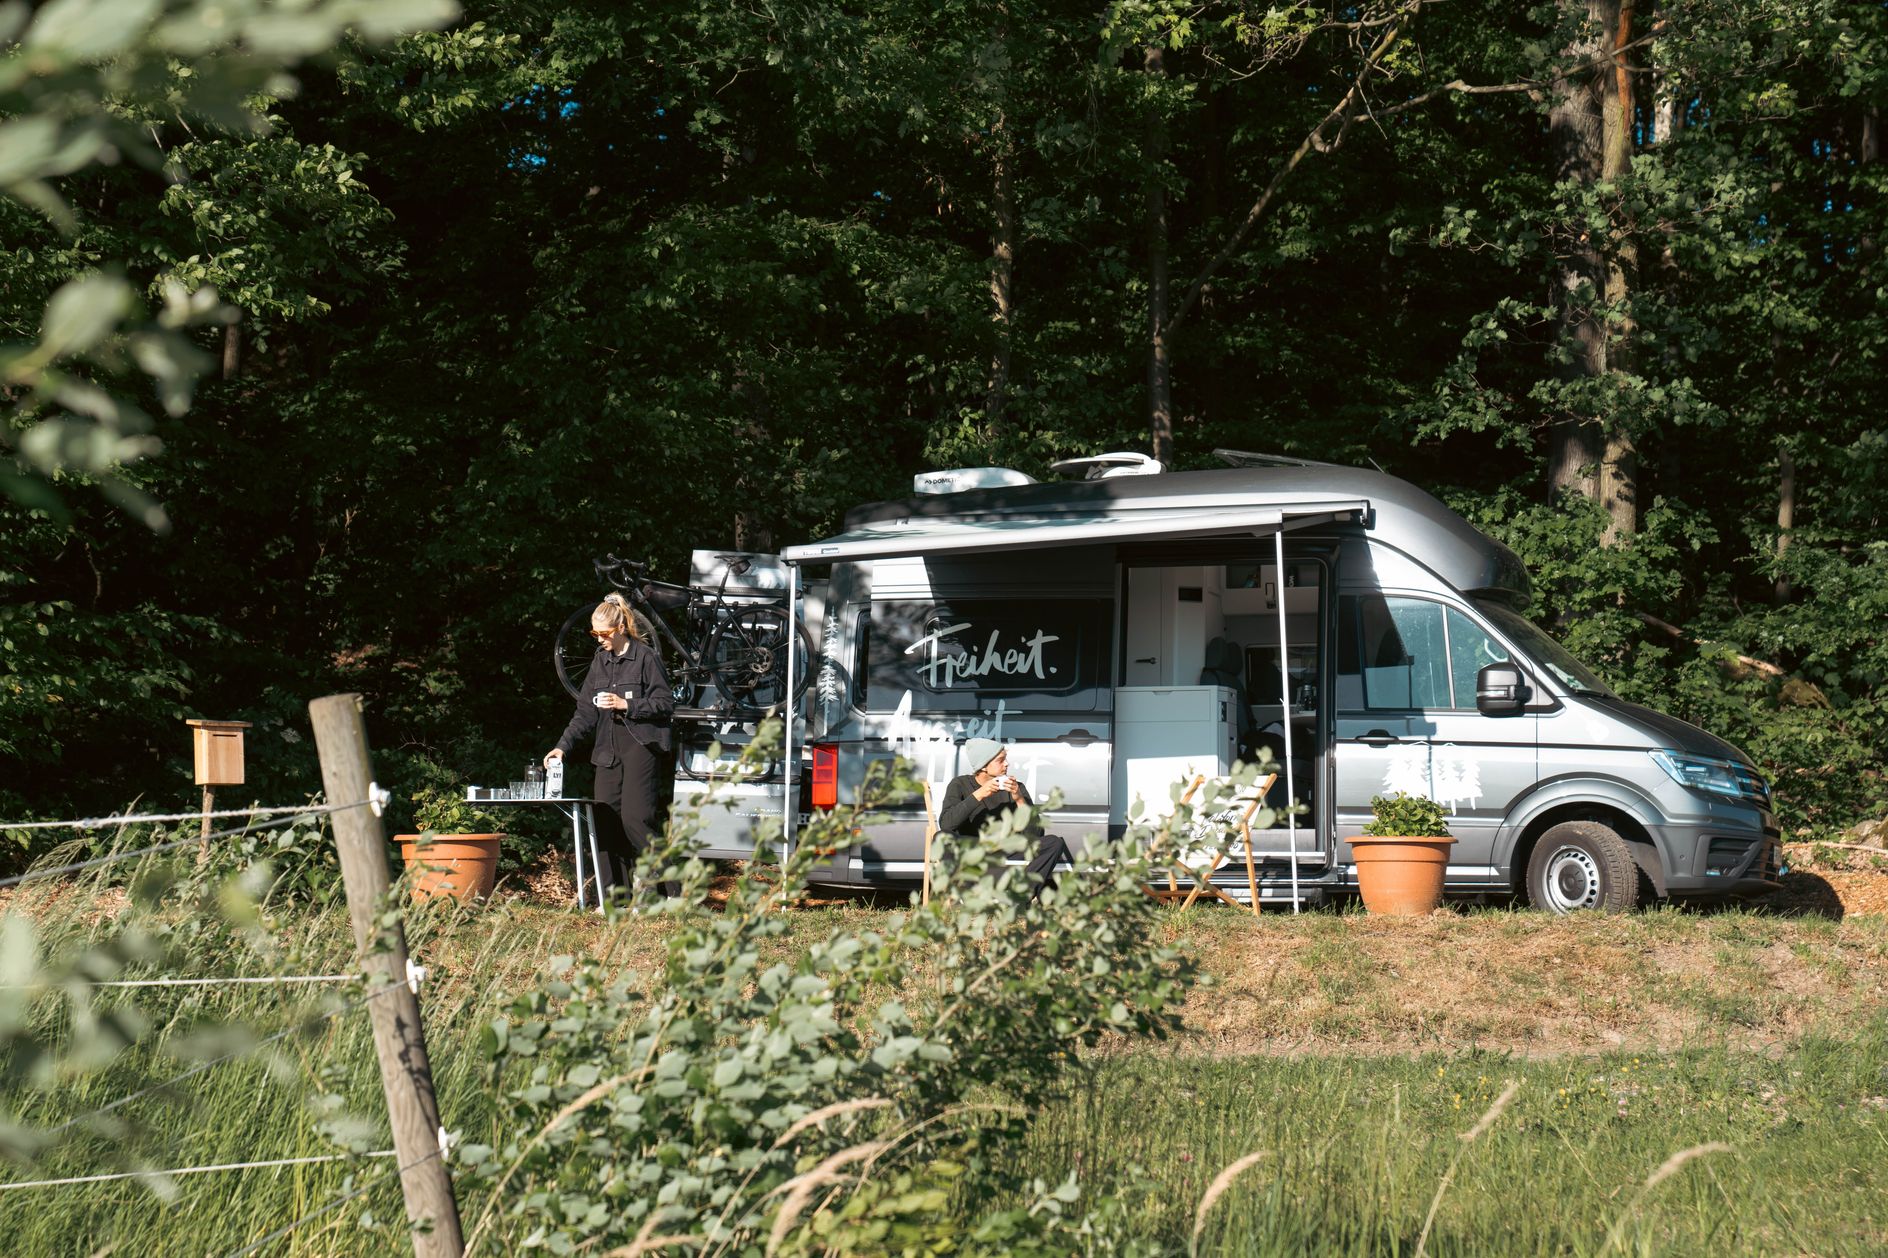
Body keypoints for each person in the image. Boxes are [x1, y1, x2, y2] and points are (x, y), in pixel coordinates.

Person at [545, 592, 678, 900]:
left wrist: (626, 704)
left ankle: (674, 892)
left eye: (603, 634)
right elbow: (585, 712)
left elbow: (665, 703)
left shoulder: (645, 657)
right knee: (604, 820)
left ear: (619, 628)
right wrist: (562, 747)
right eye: (594, 634)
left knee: (636, 819)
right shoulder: (599, 661)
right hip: (607, 749)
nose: (599, 640)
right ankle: (615, 900)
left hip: (641, 746)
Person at [935, 738, 1069, 900]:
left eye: (1005, 759)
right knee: (942, 838)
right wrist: (979, 794)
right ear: (983, 766)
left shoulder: (1016, 787)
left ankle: (1021, 896)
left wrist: (1019, 799)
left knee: (1054, 843)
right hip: (973, 852)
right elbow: (947, 824)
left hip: (1007, 851)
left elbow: (1036, 834)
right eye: (1000, 760)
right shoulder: (960, 784)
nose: (1007, 764)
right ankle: (967, 894)